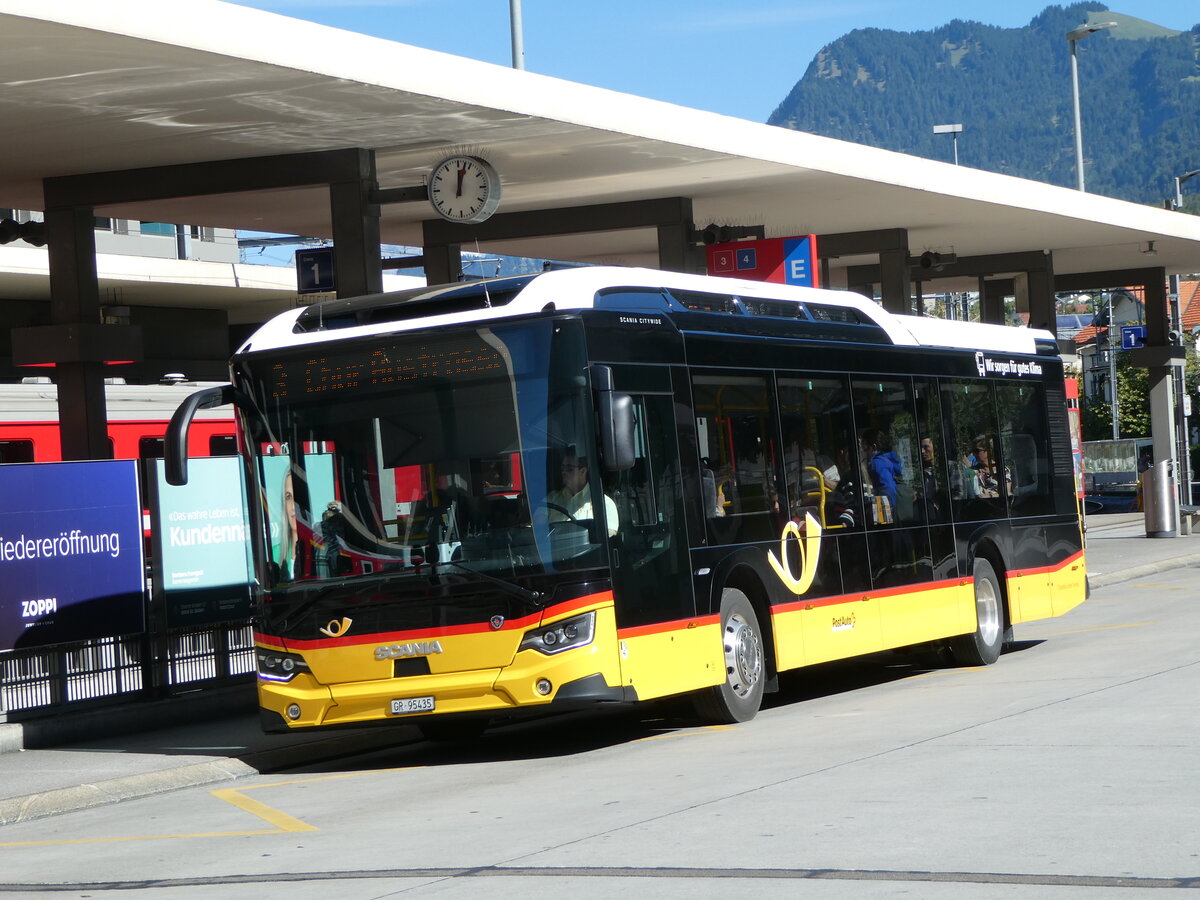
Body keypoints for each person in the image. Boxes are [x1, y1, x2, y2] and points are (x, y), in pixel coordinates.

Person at [546, 453, 619, 537]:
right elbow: (536, 528)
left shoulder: (603, 502)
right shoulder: (550, 499)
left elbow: (609, 536)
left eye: (569, 468)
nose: (563, 472)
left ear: (583, 471)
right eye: (562, 468)